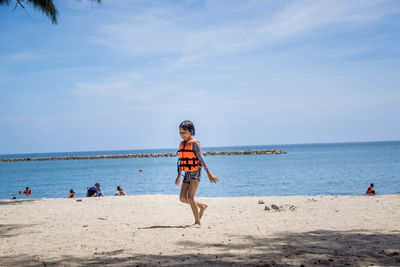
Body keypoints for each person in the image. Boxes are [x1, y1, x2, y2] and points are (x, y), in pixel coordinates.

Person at [175, 120, 219, 228]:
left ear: (191, 131)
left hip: (196, 173)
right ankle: (202, 206)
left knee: (190, 197)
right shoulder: (182, 144)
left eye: (184, 131)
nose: (182, 134)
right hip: (186, 173)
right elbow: (182, 161)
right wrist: (178, 176)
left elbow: (201, 159)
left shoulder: (194, 143)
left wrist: (209, 174)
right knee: (182, 198)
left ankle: (197, 222)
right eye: (180, 132)